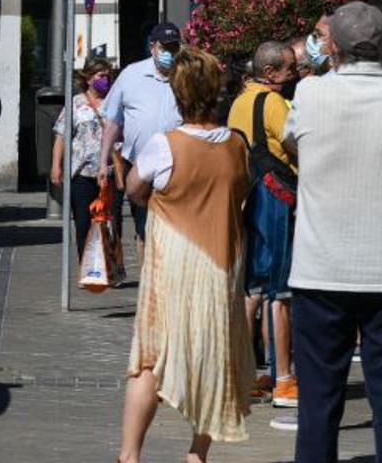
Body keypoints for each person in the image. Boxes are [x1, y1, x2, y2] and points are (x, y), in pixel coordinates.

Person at [285, 2, 382, 463]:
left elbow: (292, 141)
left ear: (333, 45)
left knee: (319, 403)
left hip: (321, 268)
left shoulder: (309, 92)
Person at [117, 46, 253, 463]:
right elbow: (243, 192)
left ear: (178, 95)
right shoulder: (236, 145)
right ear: (217, 93)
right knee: (215, 355)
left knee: (151, 357)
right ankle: (197, 454)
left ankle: (129, 455)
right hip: (222, 265)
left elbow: (135, 189)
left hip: (172, 264)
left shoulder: (165, 144)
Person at [229, 40, 299, 412]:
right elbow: (297, 143)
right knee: (281, 290)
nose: (293, 76)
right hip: (277, 198)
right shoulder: (272, 103)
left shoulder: (239, 101)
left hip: (250, 196)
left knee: (252, 287)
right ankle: (283, 377)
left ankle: (241, 373)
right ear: (270, 72)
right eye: (289, 69)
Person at [100, 22, 187, 252]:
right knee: (144, 228)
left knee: (174, 229)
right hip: (139, 165)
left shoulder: (186, 76)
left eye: (174, 47)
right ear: (152, 47)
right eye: (164, 47)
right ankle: (149, 284)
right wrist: (102, 162)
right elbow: (112, 121)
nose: (169, 53)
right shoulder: (131, 74)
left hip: (178, 165)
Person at [52, 56, 121, 256]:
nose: (105, 80)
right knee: (83, 224)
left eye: (108, 76)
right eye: (101, 75)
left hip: (109, 172)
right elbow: (61, 135)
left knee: (112, 222)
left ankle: (111, 267)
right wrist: (56, 166)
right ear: (89, 78)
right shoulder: (76, 103)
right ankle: (88, 267)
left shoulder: (115, 101)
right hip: (82, 173)